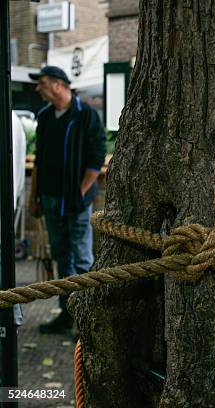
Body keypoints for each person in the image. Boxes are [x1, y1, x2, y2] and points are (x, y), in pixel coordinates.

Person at [28, 66, 106, 334]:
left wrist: (81, 192)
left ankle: (84, 321)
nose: (38, 88)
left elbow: (96, 158)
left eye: (43, 82)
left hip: (77, 201)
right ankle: (66, 313)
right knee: (62, 257)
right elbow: (39, 159)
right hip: (50, 199)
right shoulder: (46, 116)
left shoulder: (86, 115)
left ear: (59, 85)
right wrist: (33, 197)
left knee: (82, 257)